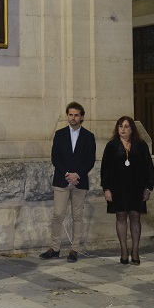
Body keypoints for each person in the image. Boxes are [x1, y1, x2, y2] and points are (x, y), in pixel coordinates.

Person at [40, 102, 96, 263]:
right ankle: (55, 248)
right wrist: (67, 174)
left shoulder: (89, 136)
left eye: (76, 115)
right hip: (61, 179)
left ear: (82, 116)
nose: (73, 118)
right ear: (67, 116)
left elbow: (90, 160)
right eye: (70, 115)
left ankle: (74, 249)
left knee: (77, 216)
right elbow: (55, 157)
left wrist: (77, 174)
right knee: (58, 214)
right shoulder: (60, 134)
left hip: (80, 180)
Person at [100, 116, 154, 265]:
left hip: (136, 187)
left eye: (126, 127)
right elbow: (105, 169)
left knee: (135, 216)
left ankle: (135, 250)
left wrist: (148, 187)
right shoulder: (111, 145)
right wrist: (107, 189)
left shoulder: (141, 145)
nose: (122, 130)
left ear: (132, 129)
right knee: (121, 216)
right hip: (118, 187)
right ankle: (124, 250)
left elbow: (148, 167)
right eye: (120, 126)